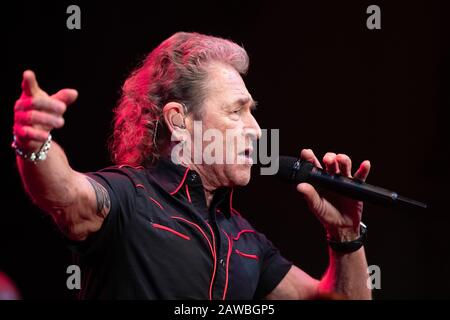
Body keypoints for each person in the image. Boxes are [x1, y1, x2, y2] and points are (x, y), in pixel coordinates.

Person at [12, 32, 372, 299]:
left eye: (252, 112)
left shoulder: (245, 240)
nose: (257, 130)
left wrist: (345, 237)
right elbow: (64, 192)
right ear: (179, 120)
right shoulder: (131, 199)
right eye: (236, 110)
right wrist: (34, 143)